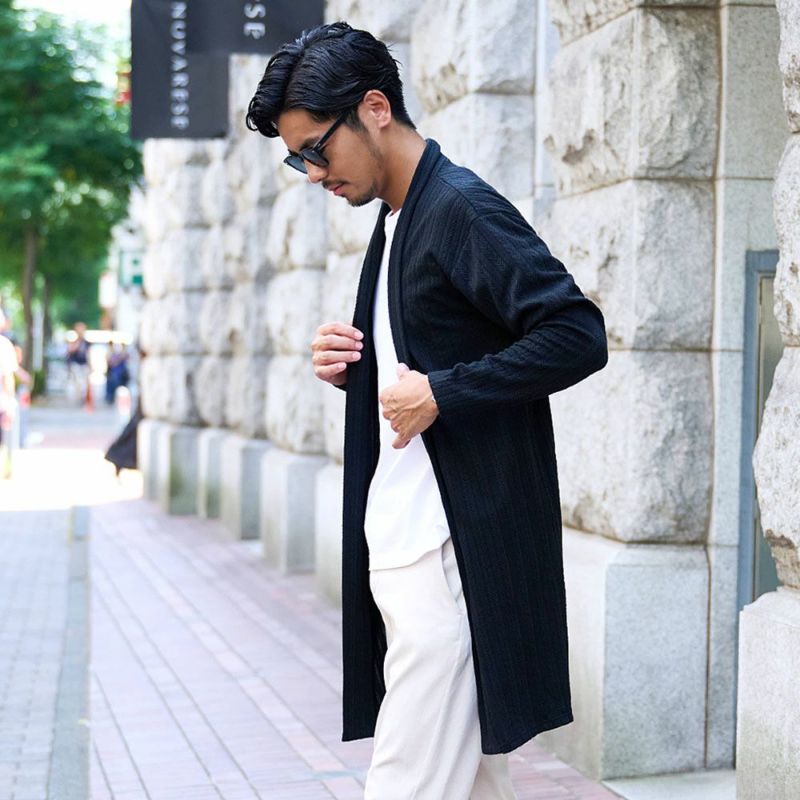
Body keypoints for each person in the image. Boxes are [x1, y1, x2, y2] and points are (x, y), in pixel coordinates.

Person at [247, 22, 608, 800]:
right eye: (298, 158)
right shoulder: (396, 217)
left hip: (449, 554)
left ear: (375, 109)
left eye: (316, 150)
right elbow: (431, 359)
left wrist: (444, 393)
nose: (313, 174)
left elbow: (576, 334)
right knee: (469, 785)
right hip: (412, 542)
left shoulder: (458, 208)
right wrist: (359, 368)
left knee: (407, 784)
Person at [66, 322, 92, 408]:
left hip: (84, 364)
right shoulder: (74, 340)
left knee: (83, 383)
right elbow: (70, 350)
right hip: (75, 364)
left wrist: (90, 365)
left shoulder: (86, 342)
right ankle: (78, 398)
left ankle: (82, 399)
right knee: (77, 382)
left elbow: (88, 354)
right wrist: (77, 342)